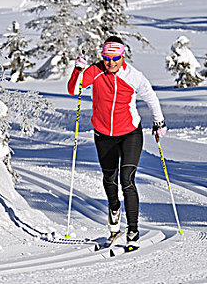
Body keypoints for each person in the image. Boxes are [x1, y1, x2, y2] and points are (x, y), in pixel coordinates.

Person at [67, 35, 167, 250]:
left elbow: (151, 97)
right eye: (106, 58)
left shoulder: (133, 76)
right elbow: (74, 90)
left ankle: (133, 230)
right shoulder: (95, 71)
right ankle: (114, 209)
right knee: (109, 178)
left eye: (115, 58)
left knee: (127, 180)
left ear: (123, 56)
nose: (110, 62)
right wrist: (77, 70)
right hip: (103, 135)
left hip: (130, 133)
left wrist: (158, 122)